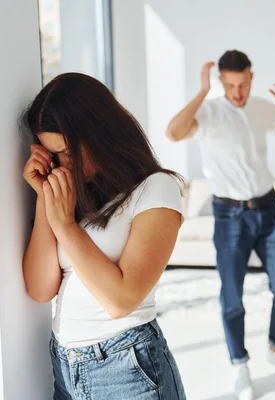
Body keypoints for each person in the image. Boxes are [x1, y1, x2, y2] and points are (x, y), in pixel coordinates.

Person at [22, 73, 186, 400]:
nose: (61, 166)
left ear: (99, 133)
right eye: (54, 156)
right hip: (66, 367)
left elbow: (121, 299)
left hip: (127, 368)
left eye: (67, 152)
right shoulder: (73, 196)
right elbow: (40, 290)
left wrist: (66, 225)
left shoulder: (156, 188)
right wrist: (45, 199)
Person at [166, 50, 275, 400]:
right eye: (229, 85)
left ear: (251, 76)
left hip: (269, 208)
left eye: (242, 84)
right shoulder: (209, 112)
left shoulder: (262, 108)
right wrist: (202, 92)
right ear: (221, 81)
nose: (236, 92)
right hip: (229, 215)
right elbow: (173, 133)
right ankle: (239, 366)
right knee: (232, 296)